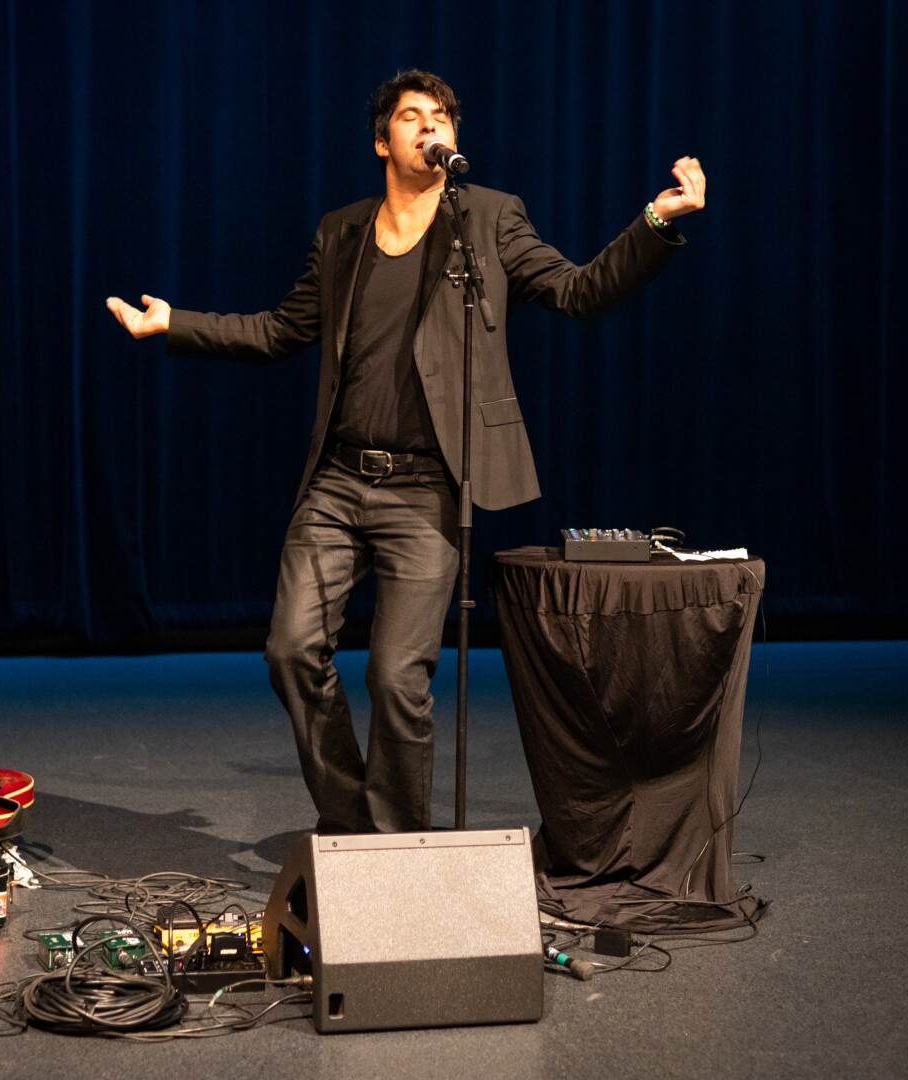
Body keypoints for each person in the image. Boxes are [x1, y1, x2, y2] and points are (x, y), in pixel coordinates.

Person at [107, 70, 704, 834]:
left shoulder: (489, 218)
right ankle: (355, 826)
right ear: (382, 141)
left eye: (442, 116)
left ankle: (394, 852)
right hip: (337, 483)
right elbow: (280, 330)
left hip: (425, 489)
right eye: (413, 116)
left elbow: (579, 290)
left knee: (395, 679)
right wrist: (176, 323)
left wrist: (655, 221)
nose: (430, 126)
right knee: (291, 652)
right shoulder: (342, 232)